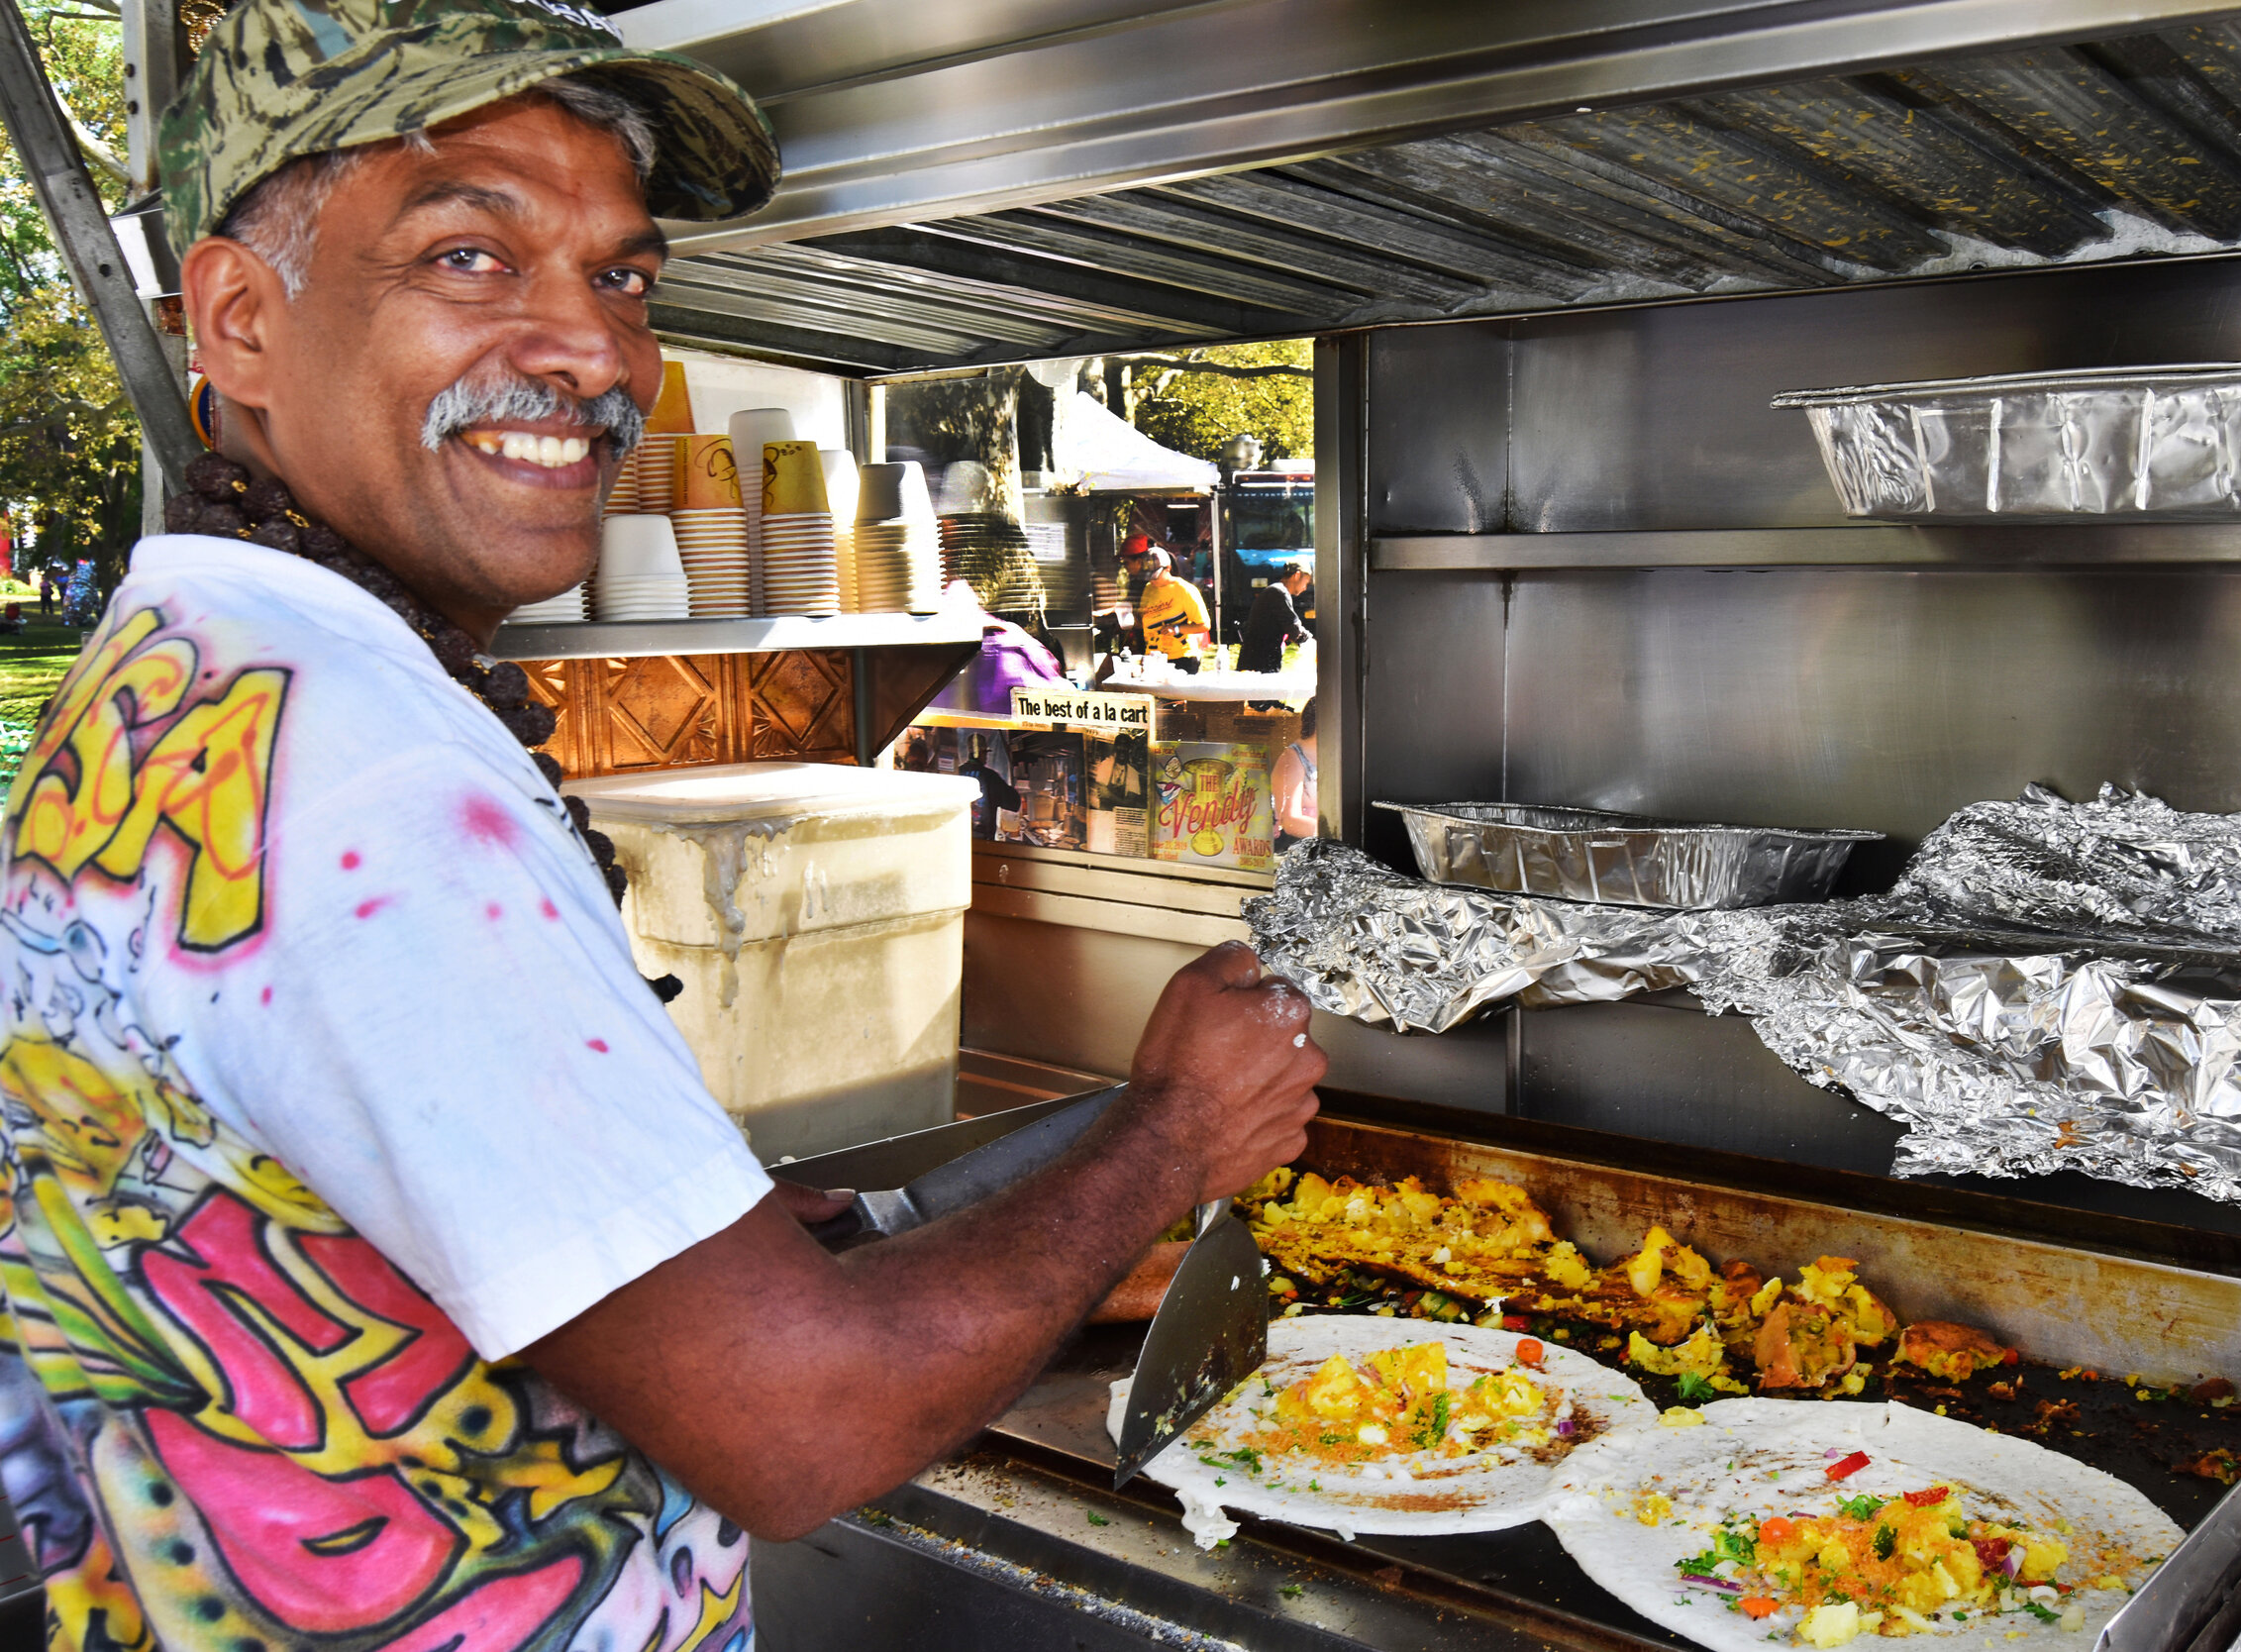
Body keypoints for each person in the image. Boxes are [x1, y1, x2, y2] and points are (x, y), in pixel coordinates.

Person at [0, 4, 1326, 1650]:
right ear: (238, 320)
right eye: (471, 254)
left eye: (623, 275)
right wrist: (1175, 1141)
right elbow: (802, 1422)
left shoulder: (183, 674)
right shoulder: (374, 786)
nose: (595, 352)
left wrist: (695, 1227)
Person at [1127, 544, 1210, 672]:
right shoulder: (1148, 589)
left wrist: (1176, 629)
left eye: (1155, 576)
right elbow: (1146, 617)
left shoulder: (1185, 590)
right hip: (1154, 658)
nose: (1152, 581)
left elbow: (1204, 625)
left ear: (1168, 568)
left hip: (1182, 658)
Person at [1237, 559, 1314, 675]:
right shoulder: (1278, 593)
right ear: (1297, 575)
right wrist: (1313, 644)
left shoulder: (1277, 591)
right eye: (1306, 582)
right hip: (1258, 665)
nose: (1305, 588)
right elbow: (1294, 627)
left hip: (1258, 662)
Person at [1273, 696, 1319, 849]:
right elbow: (1290, 820)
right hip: (1302, 846)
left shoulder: (1335, 753)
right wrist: (1336, 833)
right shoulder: (1292, 758)